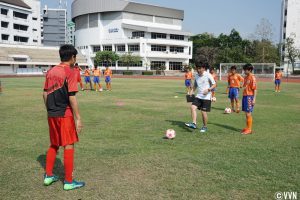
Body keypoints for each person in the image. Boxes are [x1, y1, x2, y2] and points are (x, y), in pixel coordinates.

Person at [43, 44, 85, 190]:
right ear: (72, 57)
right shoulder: (71, 71)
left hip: (52, 113)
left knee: (54, 144)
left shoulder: (51, 71)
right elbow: (71, 97)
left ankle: (48, 176)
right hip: (64, 114)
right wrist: (78, 118)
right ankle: (68, 182)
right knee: (68, 145)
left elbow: (44, 93)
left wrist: (49, 110)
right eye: (75, 57)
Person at [185, 63, 217, 133]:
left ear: (203, 68)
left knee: (203, 112)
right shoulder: (196, 76)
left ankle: (204, 127)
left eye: (199, 68)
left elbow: (214, 84)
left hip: (207, 97)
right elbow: (195, 85)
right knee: (192, 107)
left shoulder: (208, 75)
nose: (198, 70)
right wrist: (192, 91)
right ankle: (194, 123)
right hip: (198, 96)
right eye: (197, 68)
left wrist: (208, 90)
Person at [241, 63, 257, 135]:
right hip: (245, 96)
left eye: (245, 70)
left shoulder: (252, 77)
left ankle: (249, 129)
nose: (244, 71)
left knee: (248, 113)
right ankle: (247, 127)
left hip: (249, 97)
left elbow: (255, 89)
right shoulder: (245, 77)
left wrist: (254, 99)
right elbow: (244, 86)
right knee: (246, 113)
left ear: (250, 70)